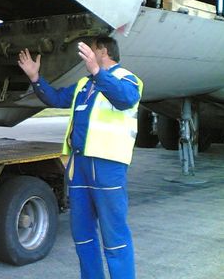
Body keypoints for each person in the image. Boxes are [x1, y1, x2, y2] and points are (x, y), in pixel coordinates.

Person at [18, 37, 143, 279]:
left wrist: (98, 72)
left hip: (108, 165)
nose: (87, 55)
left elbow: (125, 99)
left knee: (114, 236)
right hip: (80, 165)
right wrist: (35, 78)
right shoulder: (84, 84)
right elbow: (55, 98)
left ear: (103, 51)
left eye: (92, 49)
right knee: (82, 234)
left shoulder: (127, 79)